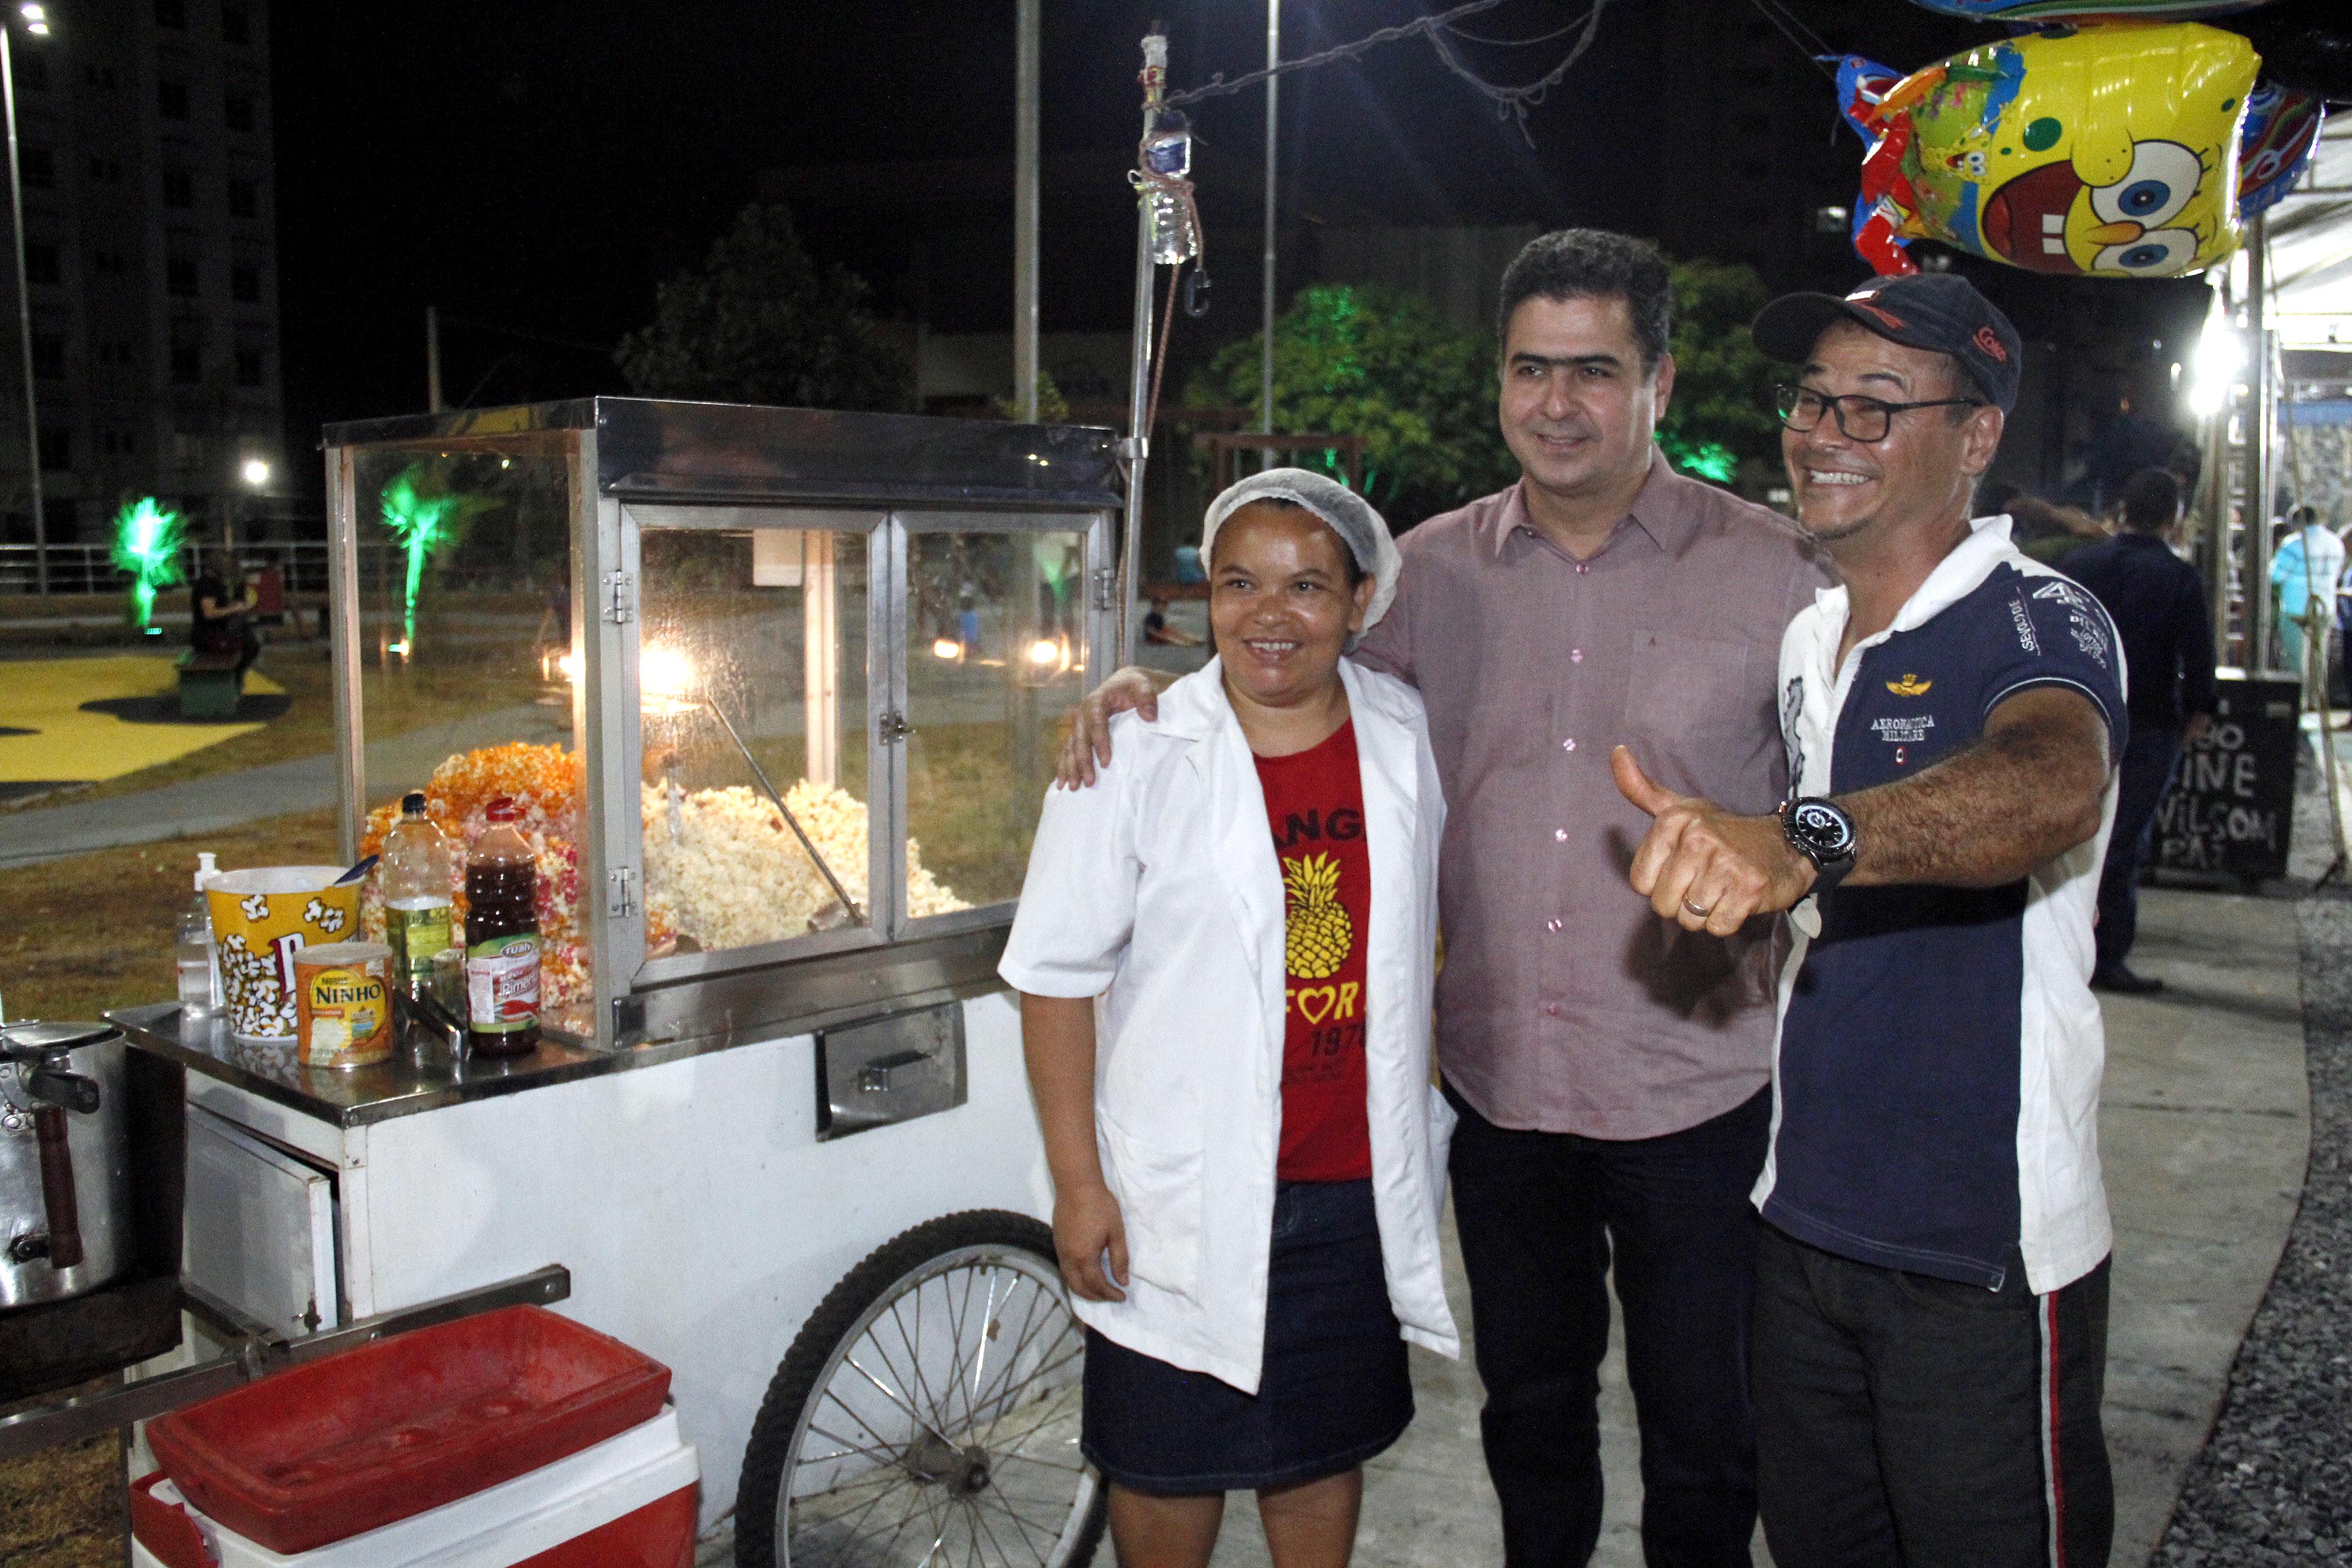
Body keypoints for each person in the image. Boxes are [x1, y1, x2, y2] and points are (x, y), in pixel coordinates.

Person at [1061, 229, 1827, 1568]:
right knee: (1530, 1411)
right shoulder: (1425, 575)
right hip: (1499, 1088)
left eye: (1594, 371)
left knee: (1709, 1429)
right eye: (1530, 368)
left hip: (1696, 1090)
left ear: (1660, 380)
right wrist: (1150, 691)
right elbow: (1283, 659)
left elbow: (1843, 798)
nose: (1556, 402)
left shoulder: (1778, 575)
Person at [1611, 272, 2121, 1566]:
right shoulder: (1812, 636)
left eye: (1878, 405)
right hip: (1802, 1218)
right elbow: (1819, 887)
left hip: (1981, 1247)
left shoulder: (2037, 614)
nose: (1827, 431)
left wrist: (1800, 840)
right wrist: (1728, 874)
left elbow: (2051, 784)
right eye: (1813, 399)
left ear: (1977, 434)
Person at [1002, 469, 1458, 1568]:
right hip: (1179, 1193)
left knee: (1317, 1454)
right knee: (1166, 1462)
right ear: (1205, 594)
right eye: (1239, 583)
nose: (1269, 614)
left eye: (1308, 585)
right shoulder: (1134, 749)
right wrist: (1078, 1184)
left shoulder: (1401, 730)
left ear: (1360, 600)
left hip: (1349, 1182)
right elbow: (1054, 977)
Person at [2064, 467, 2218, 994]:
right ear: (2174, 517)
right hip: (2149, 723)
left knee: (2068, 832)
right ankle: (2107, 953)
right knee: (2125, 839)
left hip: (2080, 716)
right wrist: (2199, 709)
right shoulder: (2178, 577)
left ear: (2123, 510)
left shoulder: (2081, 564)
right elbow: (2197, 653)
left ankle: (2060, 945)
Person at [2270, 502, 2343, 689]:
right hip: (2325, 607)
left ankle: (2297, 700)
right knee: (2319, 659)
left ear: (2297, 523)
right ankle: (2317, 698)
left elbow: (2276, 576)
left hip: (2296, 609)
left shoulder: (2293, 544)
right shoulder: (2335, 542)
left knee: (2295, 661)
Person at [188, 535, 261, 685]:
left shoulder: (214, 583)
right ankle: (235, 677)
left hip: (213, 632)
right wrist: (235, 609)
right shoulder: (208, 585)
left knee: (247, 638)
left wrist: (235, 607)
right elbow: (209, 614)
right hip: (208, 636)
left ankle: (236, 676)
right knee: (248, 641)